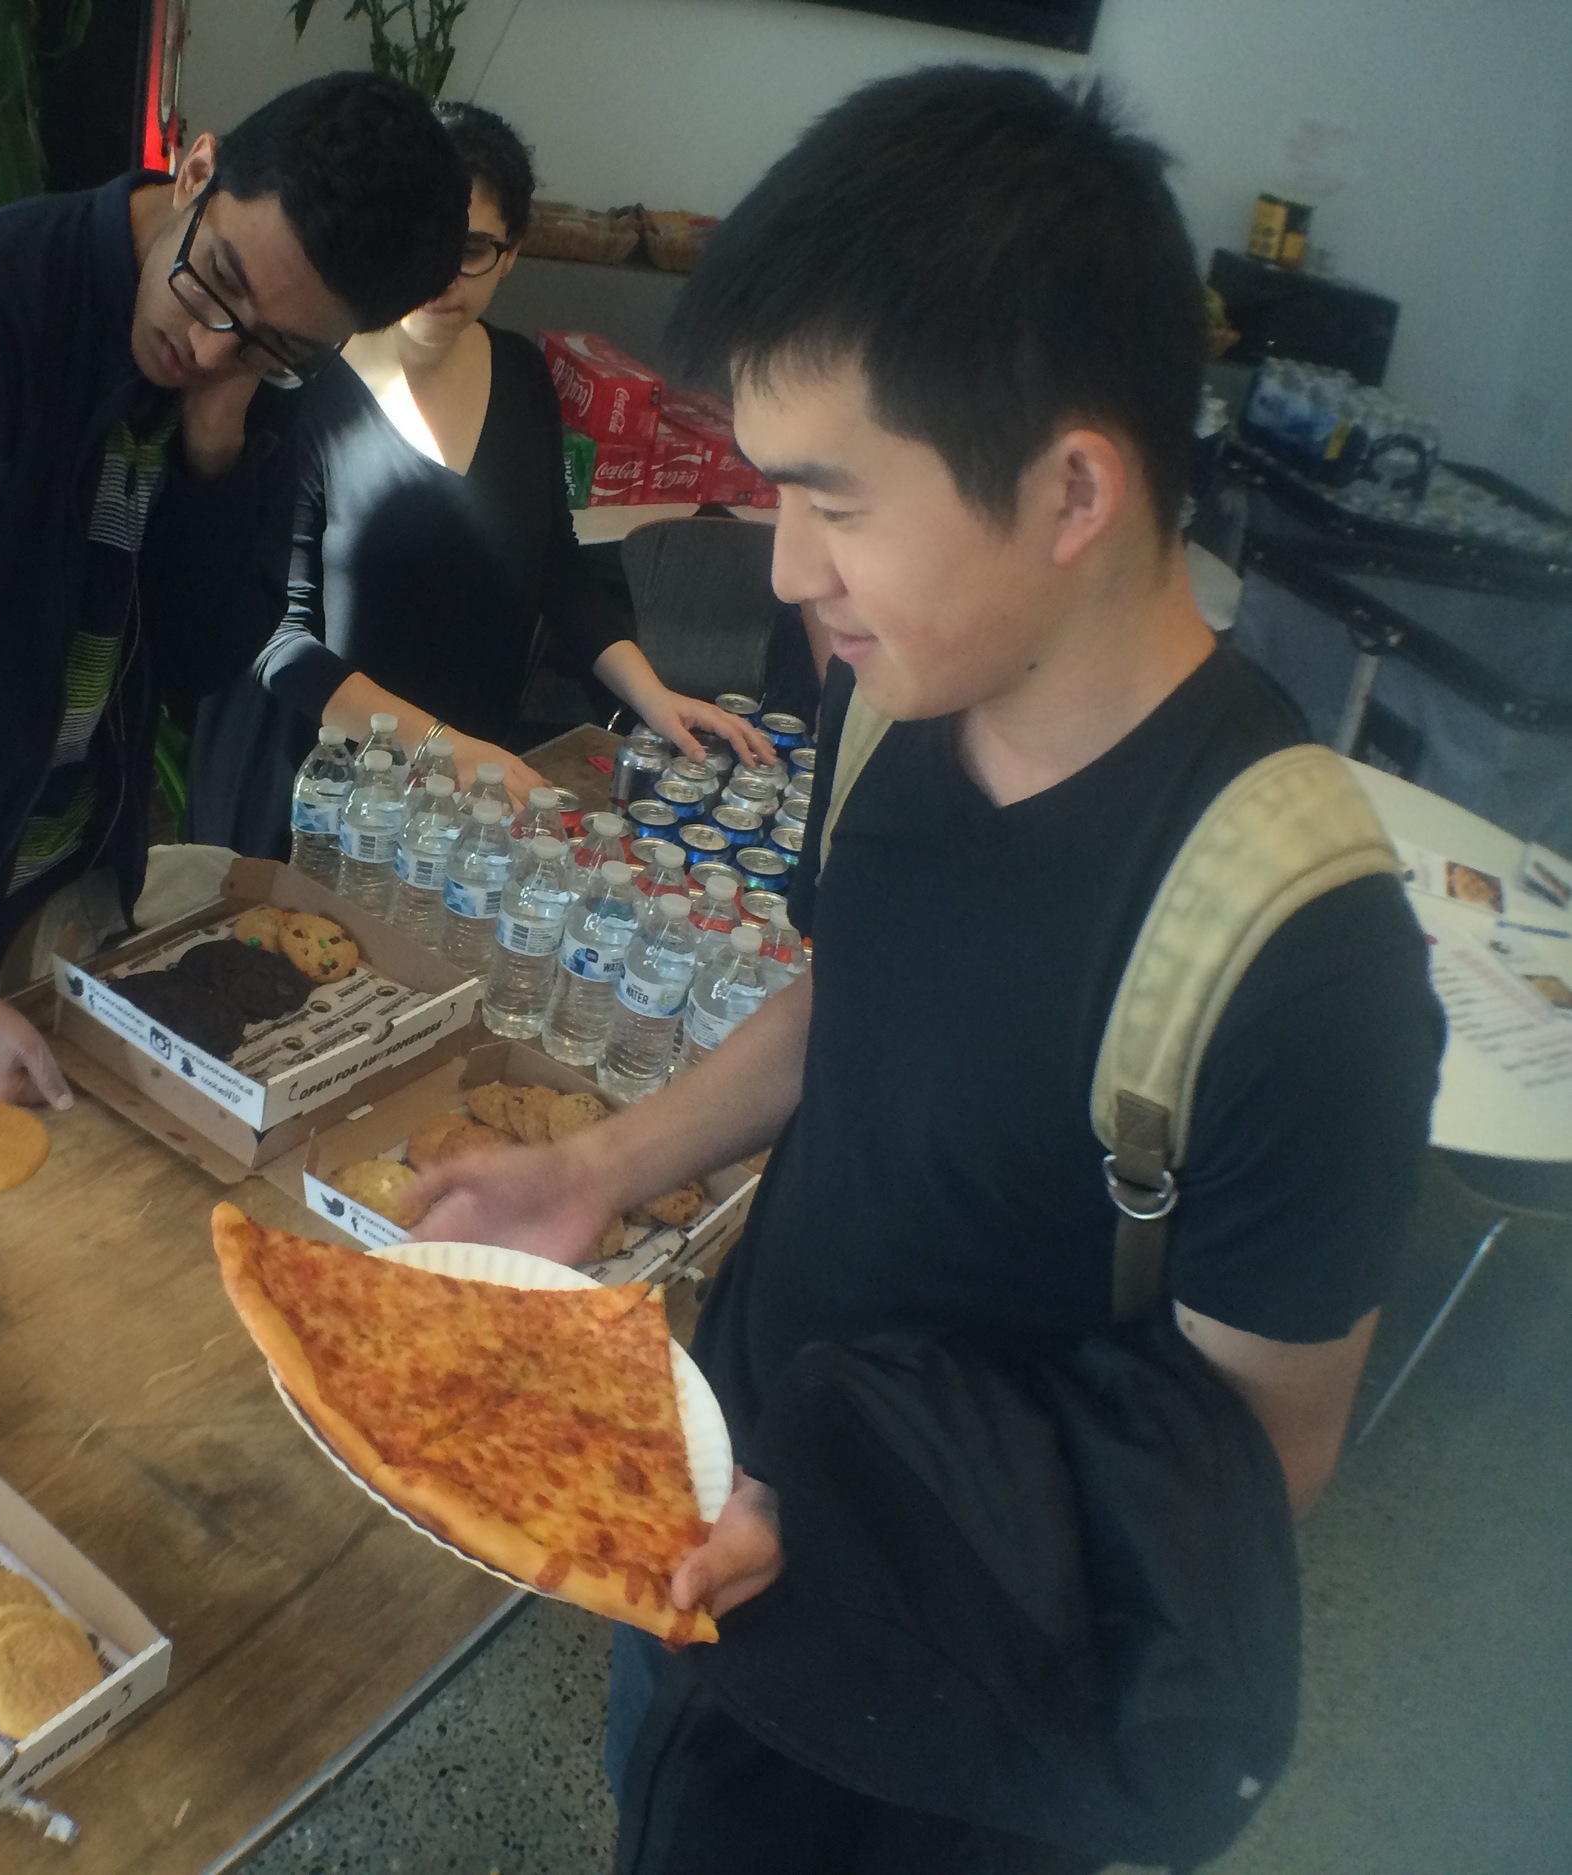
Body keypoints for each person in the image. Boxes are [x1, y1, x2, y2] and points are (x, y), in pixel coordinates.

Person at [407, 66, 1443, 1871]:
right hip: (723, 1544)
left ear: (1069, 491)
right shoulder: (892, 708)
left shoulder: (1304, 961)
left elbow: (1267, 1451)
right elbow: (858, 1001)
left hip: (968, 1721)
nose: (787, 566)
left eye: (837, 501)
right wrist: (598, 1167)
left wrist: (866, 1530)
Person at [0, 73, 470, 1097]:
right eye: (217, 286)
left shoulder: (267, 372)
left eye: (278, 344)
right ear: (197, 170)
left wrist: (215, 452)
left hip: (70, 881)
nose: (207, 347)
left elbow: (200, 659)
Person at [190, 102, 768, 859]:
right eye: (420, 244)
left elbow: (556, 565)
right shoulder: (303, 377)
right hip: (311, 786)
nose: (438, 277)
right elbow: (280, 642)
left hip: (456, 794)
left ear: (513, 252)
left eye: (471, 247)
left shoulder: (524, 377)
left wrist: (653, 697)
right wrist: (445, 747)